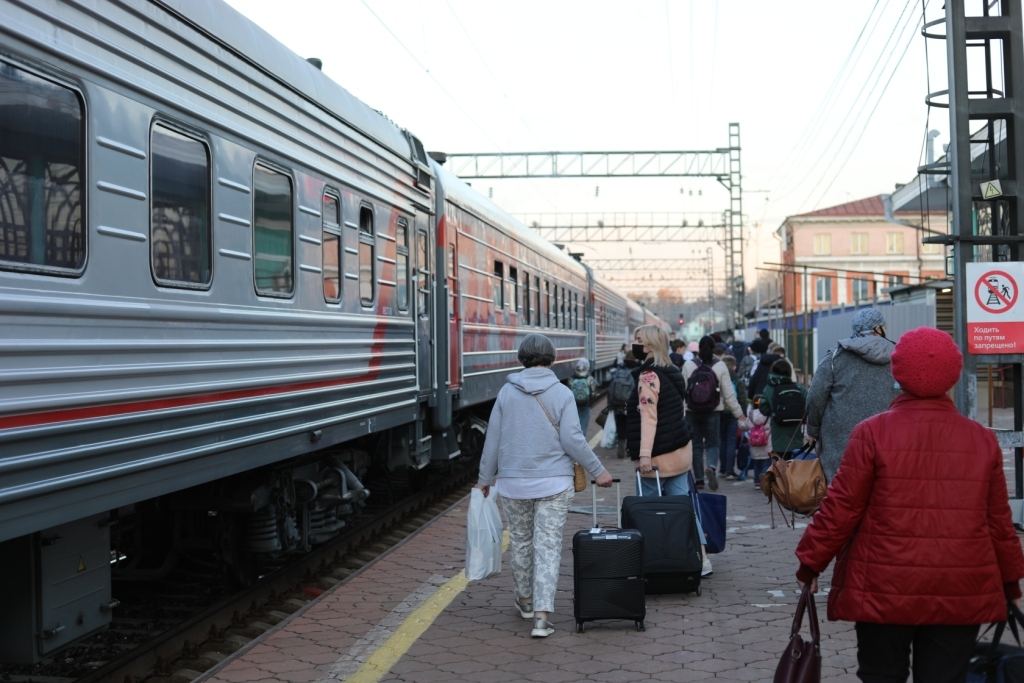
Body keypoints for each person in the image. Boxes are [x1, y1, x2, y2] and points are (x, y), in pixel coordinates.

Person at [794, 327, 1024, 683]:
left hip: (882, 589)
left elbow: (841, 508)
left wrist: (810, 564)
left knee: (880, 675)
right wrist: (1010, 582)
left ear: (896, 373)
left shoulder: (871, 433)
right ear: (953, 375)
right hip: (958, 589)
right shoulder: (981, 439)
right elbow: (999, 523)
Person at [476, 334, 613, 638]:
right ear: (552, 360)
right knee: (548, 545)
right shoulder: (561, 393)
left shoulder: (506, 394)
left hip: (513, 484)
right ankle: (541, 617)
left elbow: (493, 441)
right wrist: (598, 470)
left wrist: (484, 480)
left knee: (521, 543)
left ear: (521, 359)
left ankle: (525, 601)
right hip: (554, 483)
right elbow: (572, 440)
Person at [625, 324, 712, 576]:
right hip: (680, 453)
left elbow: (648, 419)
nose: (636, 344)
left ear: (650, 344)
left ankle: (653, 560)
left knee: (649, 513)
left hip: (657, 459)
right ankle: (701, 559)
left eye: (638, 339)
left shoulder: (648, 376)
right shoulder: (673, 372)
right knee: (684, 510)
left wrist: (644, 455)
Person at [805, 308, 901, 482]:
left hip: (840, 444)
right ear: (878, 329)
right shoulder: (899, 358)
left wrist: (813, 429)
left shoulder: (835, 357)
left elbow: (815, 396)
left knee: (840, 494)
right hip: (887, 441)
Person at [683, 336, 747, 490]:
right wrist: (739, 414)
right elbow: (729, 394)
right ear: (713, 349)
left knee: (696, 445)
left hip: (692, 411)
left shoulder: (689, 365)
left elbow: (683, 391)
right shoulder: (720, 366)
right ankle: (711, 467)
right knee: (713, 442)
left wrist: (682, 411)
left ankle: (699, 479)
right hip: (713, 411)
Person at [757, 359, 807, 457]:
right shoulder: (797, 387)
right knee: (796, 464)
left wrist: (773, 412)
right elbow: (809, 401)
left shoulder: (769, 388)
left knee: (780, 464)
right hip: (795, 430)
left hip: (778, 430)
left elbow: (763, 407)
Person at [719, 355, 747, 479]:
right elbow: (742, 399)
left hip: (719, 413)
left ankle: (722, 469)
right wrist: (742, 414)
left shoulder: (718, 377)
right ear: (734, 367)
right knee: (731, 442)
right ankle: (730, 470)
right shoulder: (737, 380)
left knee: (721, 441)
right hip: (733, 414)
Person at [607, 356, 636, 459]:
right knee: (631, 425)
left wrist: (610, 405)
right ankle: (629, 448)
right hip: (631, 404)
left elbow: (610, 390)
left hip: (619, 404)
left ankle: (621, 441)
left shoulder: (618, 372)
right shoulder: (637, 371)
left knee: (621, 424)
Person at [746, 396, 771, 488]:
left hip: (754, 446)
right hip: (766, 445)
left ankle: (757, 482)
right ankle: (764, 476)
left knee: (757, 464)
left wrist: (739, 422)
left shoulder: (751, 414)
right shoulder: (768, 415)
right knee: (766, 463)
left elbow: (745, 425)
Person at [570, 357, 598, 433]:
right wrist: (590, 404)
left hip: (575, 405)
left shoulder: (572, 378)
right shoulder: (589, 378)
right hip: (586, 405)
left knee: (575, 423)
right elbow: (593, 393)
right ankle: (582, 441)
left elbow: (568, 392)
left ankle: (575, 440)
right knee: (584, 424)